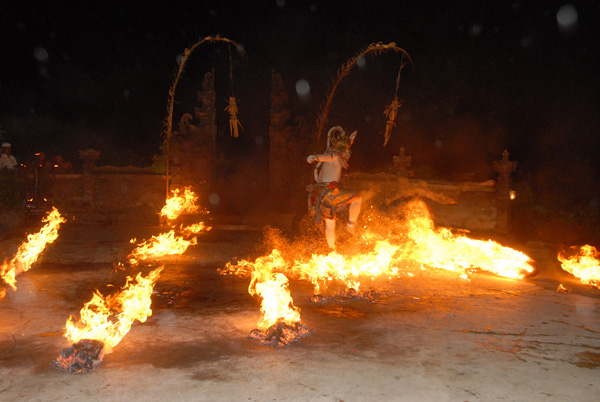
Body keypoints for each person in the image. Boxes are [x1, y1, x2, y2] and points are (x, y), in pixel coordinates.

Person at [307, 126, 362, 250]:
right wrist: (314, 157)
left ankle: (332, 250)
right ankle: (351, 224)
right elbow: (325, 157)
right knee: (357, 196)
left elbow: (323, 161)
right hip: (328, 193)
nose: (348, 154)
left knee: (330, 223)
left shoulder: (335, 159)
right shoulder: (335, 157)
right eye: (346, 151)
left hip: (319, 195)